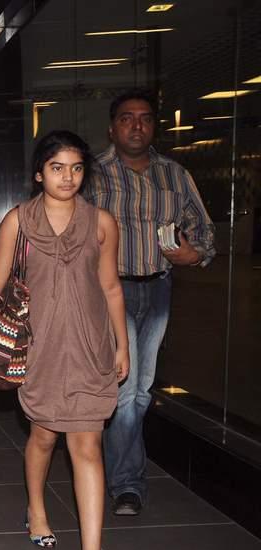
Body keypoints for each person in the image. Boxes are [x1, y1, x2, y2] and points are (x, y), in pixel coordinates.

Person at [0, 130, 129, 550]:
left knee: (87, 447)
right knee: (44, 438)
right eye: (56, 167)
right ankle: (36, 508)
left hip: (90, 348)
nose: (67, 177)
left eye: (75, 168)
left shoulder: (102, 222)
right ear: (38, 173)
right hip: (41, 350)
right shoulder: (18, 222)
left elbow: (110, 286)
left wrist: (121, 345)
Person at [87, 90, 215, 516]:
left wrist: (192, 254)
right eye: (127, 118)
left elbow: (204, 230)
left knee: (141, 391)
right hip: (109, 293)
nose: (136, 126)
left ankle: (111, 464)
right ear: (112, 127)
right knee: (124, 391)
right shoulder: (92, 175)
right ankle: (127, 485)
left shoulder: (175, 175)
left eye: (144, 118)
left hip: (157, 289)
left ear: (154, 126)